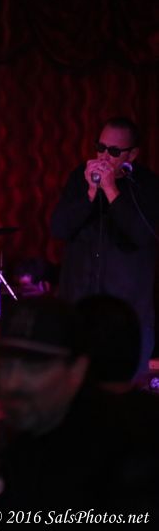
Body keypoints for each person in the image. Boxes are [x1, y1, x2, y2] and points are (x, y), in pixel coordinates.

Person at [0, 296, 159, 513]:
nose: (12, 382)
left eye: (34, 367)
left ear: (78, 369)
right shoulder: (16, 444)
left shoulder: (112, 454)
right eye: (4, 365)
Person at [51, 116, 159, 373]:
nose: (104, 156)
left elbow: (142, 236)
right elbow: (59, 229)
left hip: (128, 315)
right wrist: (90, 193)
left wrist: (111, 190)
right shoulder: (80, 177)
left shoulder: (147, 185)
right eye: (100, 148)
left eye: (114, 151)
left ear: (132, 155)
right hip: (80, 307)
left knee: (125, 388)